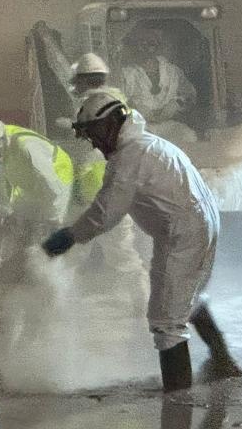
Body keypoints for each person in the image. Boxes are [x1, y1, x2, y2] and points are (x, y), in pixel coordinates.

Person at [42, 92, 242, 392]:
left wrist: (70, 236)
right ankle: (223, 361)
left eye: (95, 134)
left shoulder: (129, 158)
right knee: (185, 297)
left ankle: (178, 398)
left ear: (111, 124)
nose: (94, 143)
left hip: (183, 233)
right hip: (196, 225)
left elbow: (105, 213)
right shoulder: (148, 143)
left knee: (166, 321)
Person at [68, 54, 148, 313]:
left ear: (84, 81)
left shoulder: (96, 108)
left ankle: (59, 303)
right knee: (118, 252)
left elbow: (93, 153)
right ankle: (142, 303)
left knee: (106, 250)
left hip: (101, 191)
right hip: (110, 190)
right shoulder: (118, 105)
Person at [0, 119, 73, 283]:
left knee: (43, 232)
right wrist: (7, 213)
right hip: (26, 184)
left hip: (56, 178)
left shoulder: (27, 147)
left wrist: (54, 218)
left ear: (1, 144)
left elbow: (51, 185)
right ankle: (8, 277)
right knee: (15, 228)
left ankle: (48, 280)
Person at [121, 27, 199, 143]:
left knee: (188, 136)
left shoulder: (172, 71)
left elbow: (190, 96)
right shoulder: (126, 74)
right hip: (140, 126)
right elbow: (116, 105)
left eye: (151, 43)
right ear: (135, 46)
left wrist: (176, 104)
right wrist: (134, 108)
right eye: (142, 43)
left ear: (158, 45)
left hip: (167, 125)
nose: (146, 47)